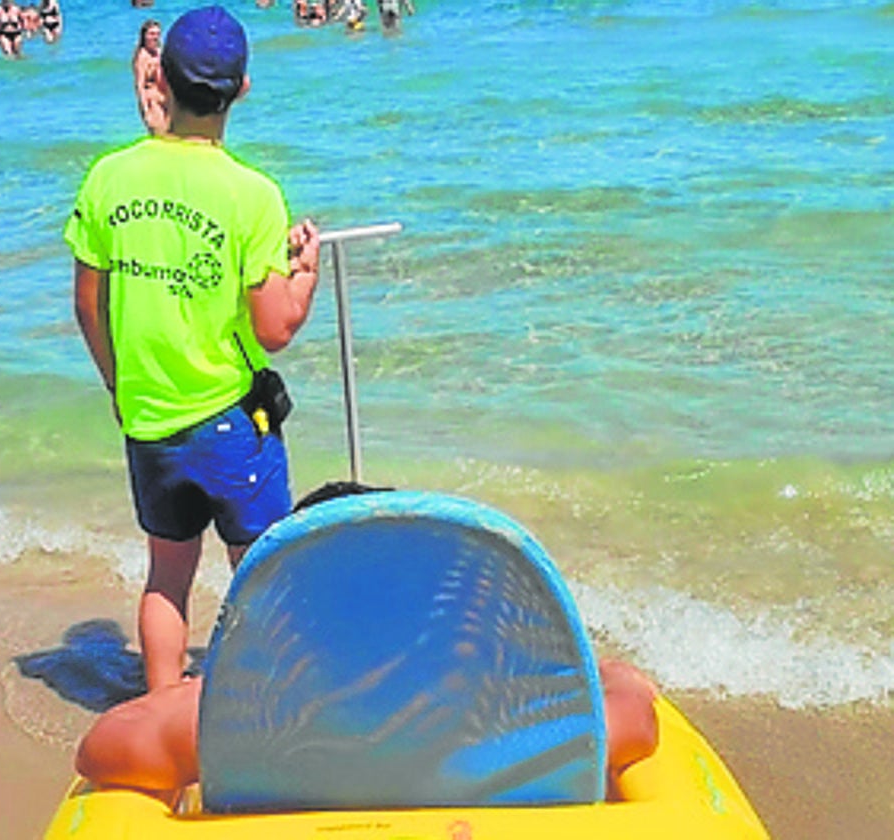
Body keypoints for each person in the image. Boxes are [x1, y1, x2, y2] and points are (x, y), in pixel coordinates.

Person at [65, 5, 321, 693]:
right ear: (240, 89)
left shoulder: (108, 177)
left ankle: (161, 719)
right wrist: (304, 274)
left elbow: (88, 304)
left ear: (162, 82)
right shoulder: (253, 195)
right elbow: (274, 329)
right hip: (230, 421)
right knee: (264, 570)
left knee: (167, 576)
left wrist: (120, 387)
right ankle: (282, 705)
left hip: (149, 418)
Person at [74, 659, 660, 807]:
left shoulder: (262, 730)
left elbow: (101, 748)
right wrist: (615, 677)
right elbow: (636, 723)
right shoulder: (485, 728)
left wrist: (192, 694)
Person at [131, 19, 167, 135]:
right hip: (152, 102)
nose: (155, 37)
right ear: (144, 36)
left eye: (157, 34)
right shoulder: (142, 57)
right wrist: (146, 111)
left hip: (165, 99)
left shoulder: (159, 52)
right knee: (161, 135)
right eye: (151, 34)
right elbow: (139, 86)